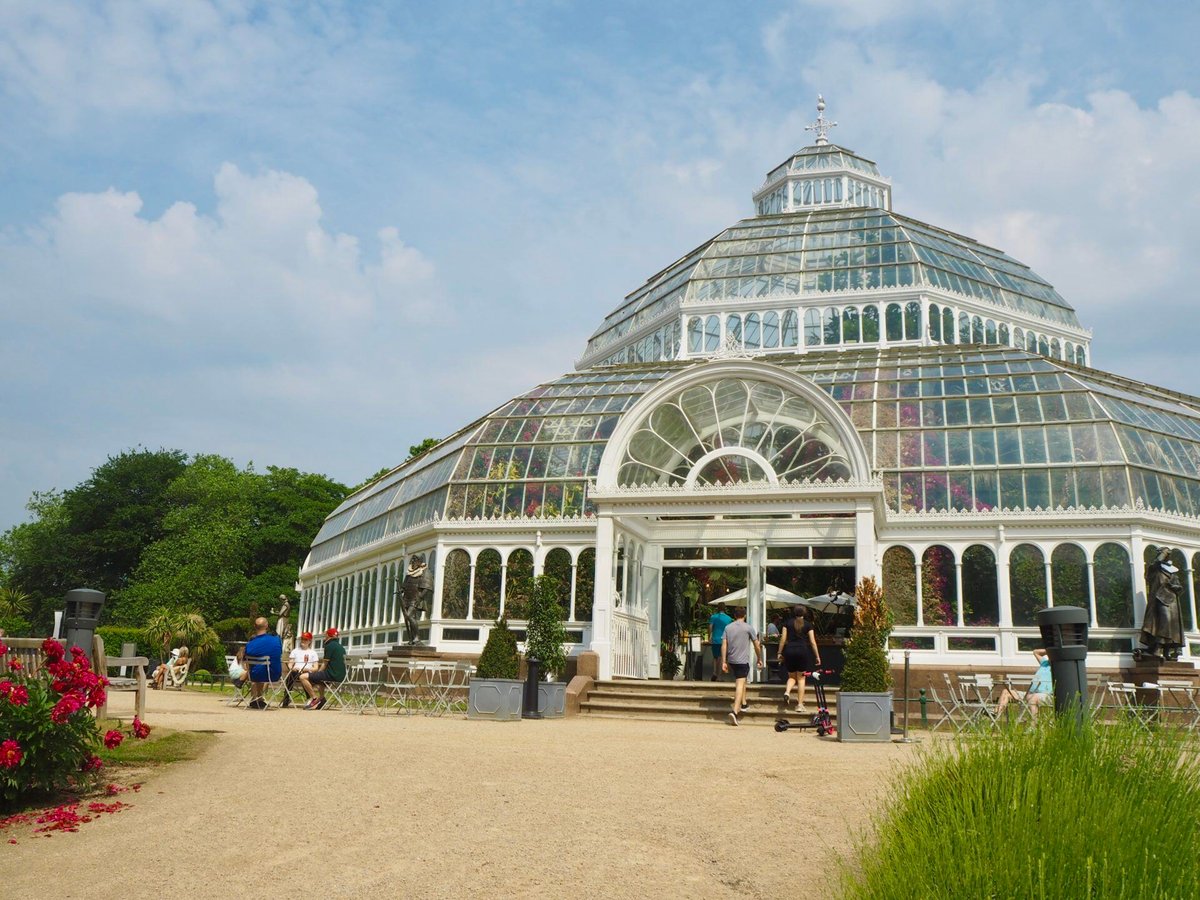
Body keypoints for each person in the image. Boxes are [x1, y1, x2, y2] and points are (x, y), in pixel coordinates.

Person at [721, 607, 764, 726]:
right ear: (744, 615)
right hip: (742, 660)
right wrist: (759, 658)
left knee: (742, 679)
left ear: (734, 615)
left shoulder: (728, 627)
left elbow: (724, 644)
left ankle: (744, 703)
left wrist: (724, 661)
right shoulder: (748, 627)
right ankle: (735, 711)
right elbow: (756, 644)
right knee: (740, 684)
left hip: (731, 660)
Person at [778, 606, 821, 712]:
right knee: (801, 678)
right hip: (802, 651)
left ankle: (787, 692)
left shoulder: (787, 623)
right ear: (804, 613)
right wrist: (817, 656)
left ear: (794, 613)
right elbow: (812, 642)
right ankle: (799, 704)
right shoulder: (808, 624)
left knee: (791, 676)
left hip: (789, 650)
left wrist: (779, 652)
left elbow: (783, 639)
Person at [997, 648, 1053, 719]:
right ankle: (995, 714)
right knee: (1006, 692)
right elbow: (1035, 652)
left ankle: (1034, 725)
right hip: (1028, 694)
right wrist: (1049, 650)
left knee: (1033, 698)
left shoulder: (1057, 667)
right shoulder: (1044, 663)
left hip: (1045, 696)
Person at [300, 627, 346, 710]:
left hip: (332, 674)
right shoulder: (341, 647)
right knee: (320, 680)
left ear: (328, 636)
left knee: (303, 677)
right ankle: (321, 698)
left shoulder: (329, 645)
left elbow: (324, 664)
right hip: (342, 675)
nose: (325, 637)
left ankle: (314, 698)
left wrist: (315, 673)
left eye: (325, 635)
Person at [244, 616, 283, 710]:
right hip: (273, 674)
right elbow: (279, 654)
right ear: (267, 626)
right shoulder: (276, 640)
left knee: (259, 669)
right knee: (264, 669)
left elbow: (246, 660)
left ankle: (256, 698)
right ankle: (259, 699)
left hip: (254, 675)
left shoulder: (250, 644)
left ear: (254, 626)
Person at [281, 631, 319, 708]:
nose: (303, 641)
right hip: (296, 672)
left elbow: (316, 668)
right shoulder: (295, 651)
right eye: (302, 639)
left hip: (307, 672)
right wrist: (292, 668)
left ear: (309, 641)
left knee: (304, 676)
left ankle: (310, 698)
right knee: (291, 675)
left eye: (305, 639)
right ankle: (286, 698)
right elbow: (290, 664)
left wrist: (307, 669)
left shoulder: (313, 652)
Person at [708, 604, 733, 682]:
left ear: (717, 608)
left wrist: (709, 636)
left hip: (715, 639)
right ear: (724, 609)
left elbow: (710, 627)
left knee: (715, 657)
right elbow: (730, 630)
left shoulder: (713, 617)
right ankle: (719, 676)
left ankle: (715, 672)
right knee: (722, 658)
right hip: (724, 640)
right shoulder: (728, 618)